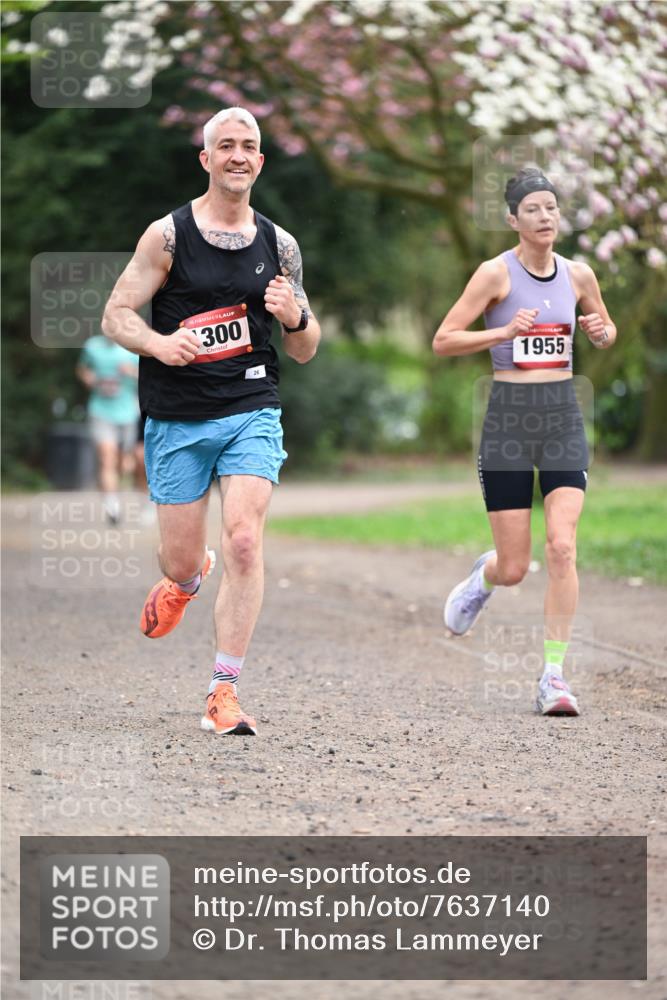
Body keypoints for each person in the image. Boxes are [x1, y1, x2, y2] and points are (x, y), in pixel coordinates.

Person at [101, 106, 321, 735]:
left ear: (260, 160)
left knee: (246, 539)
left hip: (251, 405)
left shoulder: (280, 246)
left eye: (248, 146)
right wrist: (157, 344)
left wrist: (295, 318)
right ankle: (186, 579)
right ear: (206, 159)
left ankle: (223, 691)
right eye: (225, 145)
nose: (237, 156)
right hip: (177, 417)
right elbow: (116, 314)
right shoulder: (166, 237)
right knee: (179, 561)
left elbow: (305, 349)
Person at [433, 167, 616, 716]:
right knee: (516, 567)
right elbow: (444, 339)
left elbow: (605, 327)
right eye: (532, 209)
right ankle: (485, 576)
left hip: (561, 416)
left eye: (551, 208)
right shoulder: (494, 274)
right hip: (509, 421)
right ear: (513, 219)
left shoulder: (579, 275)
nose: (544, 217)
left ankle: (554, 677)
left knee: (562, 546)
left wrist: (602, 333)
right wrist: (503, 333)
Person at [76, 335, 140, 523]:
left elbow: (148, 376)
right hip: (100, 411)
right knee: (107, 457)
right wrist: (88, 378)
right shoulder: (92, 347)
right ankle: (113, 507)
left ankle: (116, 488)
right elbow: (82, 369)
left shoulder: (132, 347)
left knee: (123, 463)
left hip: (127, 412)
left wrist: (132, 372)